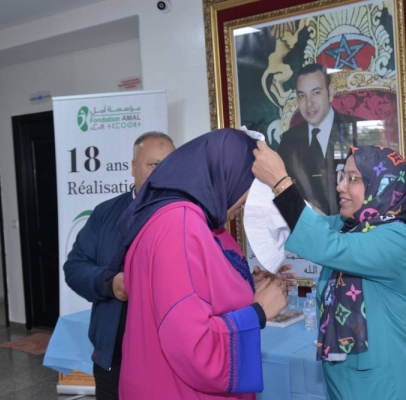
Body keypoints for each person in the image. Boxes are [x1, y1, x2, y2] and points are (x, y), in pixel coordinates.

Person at [112, 128, 289, 399]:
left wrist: (245, 286)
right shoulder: (179, 224)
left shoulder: (183, 217)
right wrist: (259, 311)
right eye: (245, 197)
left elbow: (188, 293)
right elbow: (193, 346)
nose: (240, 209)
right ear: (227, 175)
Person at [252, 141, 406, 399]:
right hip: (342, 383)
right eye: (342, 176)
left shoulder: (397, 239)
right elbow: (307, 224)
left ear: (381, 185)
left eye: (352, 179)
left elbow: (325, 244)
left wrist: (280, 181)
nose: (340, 187)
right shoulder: (350, 226)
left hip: (386, 386)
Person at [63, 131, 175, 400]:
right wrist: (109, 283)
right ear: (133, 166)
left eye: (169, 165)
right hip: (114, 358)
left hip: (169, 357)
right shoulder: (105, 214)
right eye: (154, 165)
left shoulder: (187, 215)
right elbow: (75, 267)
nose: (163, 173)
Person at [277, 63, 362, 215]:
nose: (309, 104)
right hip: (306, 226)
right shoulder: (289, 141)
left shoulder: (359, 131)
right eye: (302, 96)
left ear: (330, 92)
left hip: (353, 225)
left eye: (315, 93)